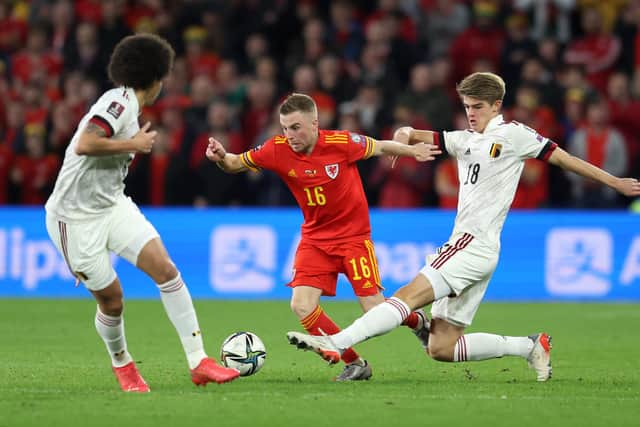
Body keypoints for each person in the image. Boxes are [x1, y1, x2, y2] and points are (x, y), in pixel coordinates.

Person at [286, 72, 640, 382]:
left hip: (471, 246)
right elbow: (420, 136)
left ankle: (336, 342)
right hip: (476, 251)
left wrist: (615, 183)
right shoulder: (465, 139)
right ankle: (530, 346)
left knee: (405, 297)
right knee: (441, 347)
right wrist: (405, 131)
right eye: (468, 106)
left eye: (478, 107)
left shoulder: (514, 135)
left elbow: (564, 158)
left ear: (497, 105)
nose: (471, 114)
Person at [44, 34, 240, 393]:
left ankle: (199, 361)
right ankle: (123, 365)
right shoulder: (118, 102)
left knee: (166, 270)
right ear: (155, 77)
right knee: (113, 301)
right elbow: (85, 143)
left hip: (112, 204)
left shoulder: (131, 109)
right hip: (73, 218)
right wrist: (131, 144)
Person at [205, 93, 440, 381]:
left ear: (315, 123)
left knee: (376, 309)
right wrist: (219, 157)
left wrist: (412, 152)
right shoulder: (276, 150)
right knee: (301, 304)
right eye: (284, 128)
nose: (289, 135)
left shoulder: (341, 143)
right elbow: (234, 163)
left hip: (353, 238)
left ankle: (418, 322)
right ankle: (354, 363)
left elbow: (379, 147)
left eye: (295, 127)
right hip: (315, 239)